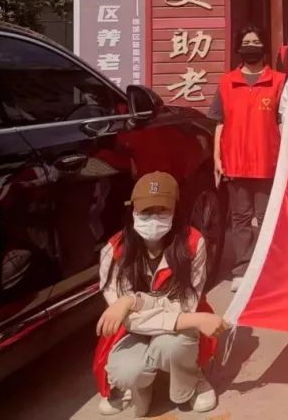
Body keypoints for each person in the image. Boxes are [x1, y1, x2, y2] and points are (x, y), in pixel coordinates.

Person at [95, 172, 222, 416]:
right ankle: (138, 388)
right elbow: (128, 320)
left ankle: (189, 382)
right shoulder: (113, 251)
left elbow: (184, 306)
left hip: (178, 326)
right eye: (145, 211)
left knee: (172, 346)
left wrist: (132, 301)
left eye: (162, 211)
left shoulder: (193, 243)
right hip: (133, 330)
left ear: (175, 210)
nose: (153, 219)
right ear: (132, 211)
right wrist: (197, 320)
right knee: (127, 372)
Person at [206, 25, 285, 292]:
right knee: (240, 218)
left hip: (267, 162)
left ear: (264, 47)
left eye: (256, 42)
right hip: (236, 162)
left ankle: (264, 268)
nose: (251, 46)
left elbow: (284, 121)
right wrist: (217, 157)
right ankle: (242, 268)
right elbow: (219, 122)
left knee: (265, 218)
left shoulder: (279, 81)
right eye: (246, 42)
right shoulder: (227, 82)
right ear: (239, 48)